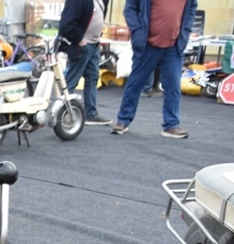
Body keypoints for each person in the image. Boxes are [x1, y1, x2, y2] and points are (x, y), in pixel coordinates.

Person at [111, 0, 197, 139]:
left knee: (173, 87)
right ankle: (123, 121)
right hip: (147, 46)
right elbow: (130, 9)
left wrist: (185, 31)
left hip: (173, 47)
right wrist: (138, 32)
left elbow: (192, 8)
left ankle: (171, 125)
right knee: (135, 83)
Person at [58, 0, 112, 126]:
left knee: (92, 77)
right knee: (72, 79)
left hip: (93, 44)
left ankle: (90, 114)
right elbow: (67, 23)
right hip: (83, 45)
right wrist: (80, 40)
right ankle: (62, 114)